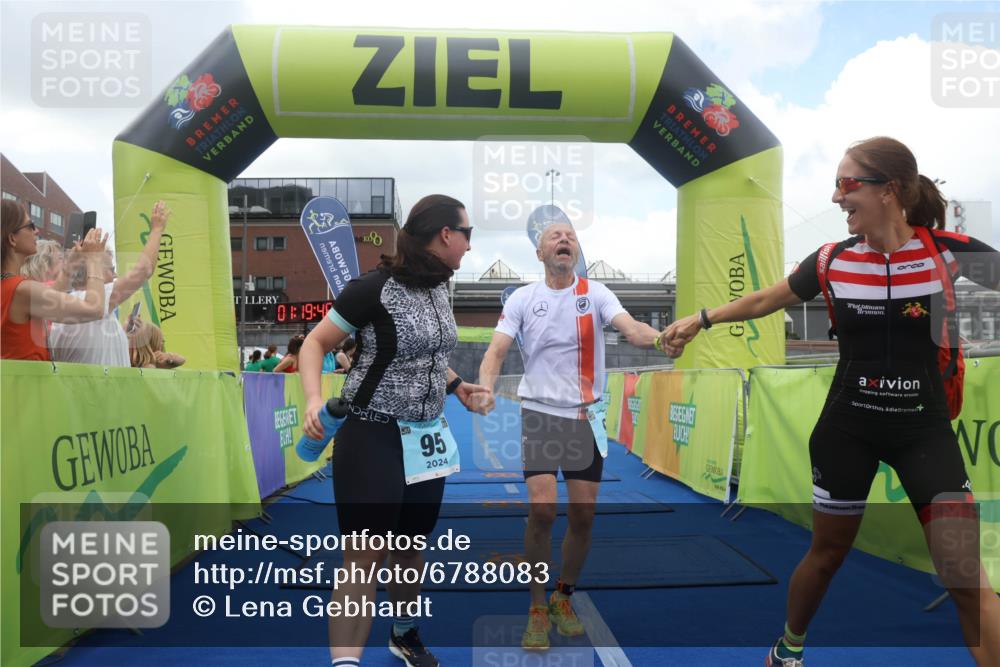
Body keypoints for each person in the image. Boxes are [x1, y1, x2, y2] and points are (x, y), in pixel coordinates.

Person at [661, 137, 1000, 667]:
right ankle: (788, 648)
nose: (837, 197)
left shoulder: (947, 251)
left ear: (889, 190)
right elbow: (764, 299)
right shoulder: (830, 260)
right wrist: (700, 319)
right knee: (827, 555)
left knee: (966, 580)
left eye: (847, 184)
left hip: (924, 433)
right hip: (849, 432)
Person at [298, 194, 493, 667]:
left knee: (409, 548)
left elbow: (426, 353)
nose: (469, 245)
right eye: (468, 234)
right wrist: (311, 400)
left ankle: (403, 634)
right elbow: (315, 343)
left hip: (425, 437)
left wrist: (457, 386)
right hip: (372, 435)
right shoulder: (374, 287)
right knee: (365, 557)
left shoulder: (440, 288)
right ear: (446, 234)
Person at [477, 221, 670, 650]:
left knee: (583, 516)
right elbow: (496, 350)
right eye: (554, 237)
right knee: (543, 511)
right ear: (540, 253)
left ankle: (564, 595)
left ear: (576, 251)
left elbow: (634, 329)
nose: (564, 240)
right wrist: (486, 385)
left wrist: (663, 339)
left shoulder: (596, 293)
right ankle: (536, 607)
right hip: (541, 416)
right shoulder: (524, 298)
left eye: (570, 237)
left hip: (585, 419)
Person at [49, 200, 170, 366]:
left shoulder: (60, 306)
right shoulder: (90, 299)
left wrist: (123, 332)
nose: (115, 275)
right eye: (110, 269)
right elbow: (144, 270)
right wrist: (157, 230)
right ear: (93, 271)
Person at [1, 200, 108, 360]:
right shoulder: (21, 289)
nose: (36, 231)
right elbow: (95, 309)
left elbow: (50, 297)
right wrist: (94, 260)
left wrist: (72, 264)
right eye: (30, 226)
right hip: (29, 384)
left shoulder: (12, 287)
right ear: (12, 239)